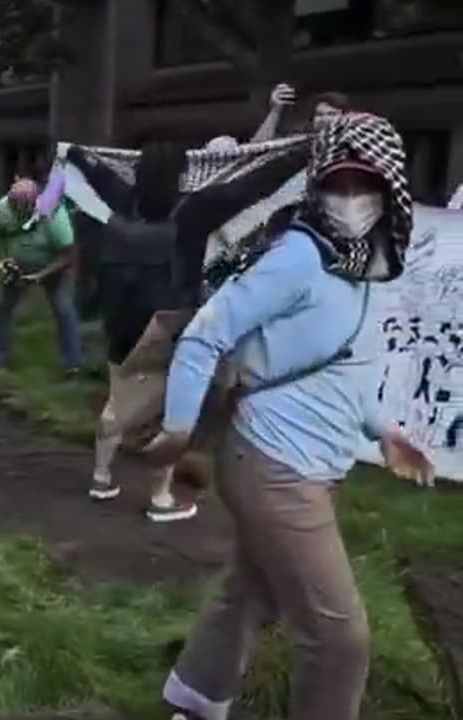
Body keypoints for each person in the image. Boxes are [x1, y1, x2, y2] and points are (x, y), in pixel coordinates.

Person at [149, 112, 432, 720]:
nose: (351, 199)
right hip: (275, 465)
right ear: (317, 185)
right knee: (339, 638)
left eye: (365, 185)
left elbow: (342, 369)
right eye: (338, 183)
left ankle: (192, 702)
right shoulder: (301, 256)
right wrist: (178, 427)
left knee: (252, 592)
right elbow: (203, 336)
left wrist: (387, 435)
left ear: (389, 189)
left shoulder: (357, 266)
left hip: (307, 465)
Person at [66, 139, 305, 522]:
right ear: (182, 174)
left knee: (119, 397)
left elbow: (97, 174)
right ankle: (160, 498)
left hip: (120, 318)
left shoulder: (123, 199)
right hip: (168, 323)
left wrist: (76, 153)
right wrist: (302, 154)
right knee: (171, 411)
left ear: (138, 170)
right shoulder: (195, 211)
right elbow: (255, 185)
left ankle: (101, 477)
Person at [0, 177, 81, 372]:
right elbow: (2, 238)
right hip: (19, 264)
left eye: (25, 208)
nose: (20, 212)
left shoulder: (54, 214)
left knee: (62, 307)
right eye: (16, 207)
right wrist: (7, 260)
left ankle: (72, 364)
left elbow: (70, 255)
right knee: (3, 306)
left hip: (55, 265)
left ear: (35, 202)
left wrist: (42, 275)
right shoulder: (0, 210)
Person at [251, 83, 353, 142]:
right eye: (319, 115)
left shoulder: (353, 139)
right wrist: (275, 110)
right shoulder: (300, 140)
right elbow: (256, 149)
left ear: (344, 117)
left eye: (331, 114)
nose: (324, 119)